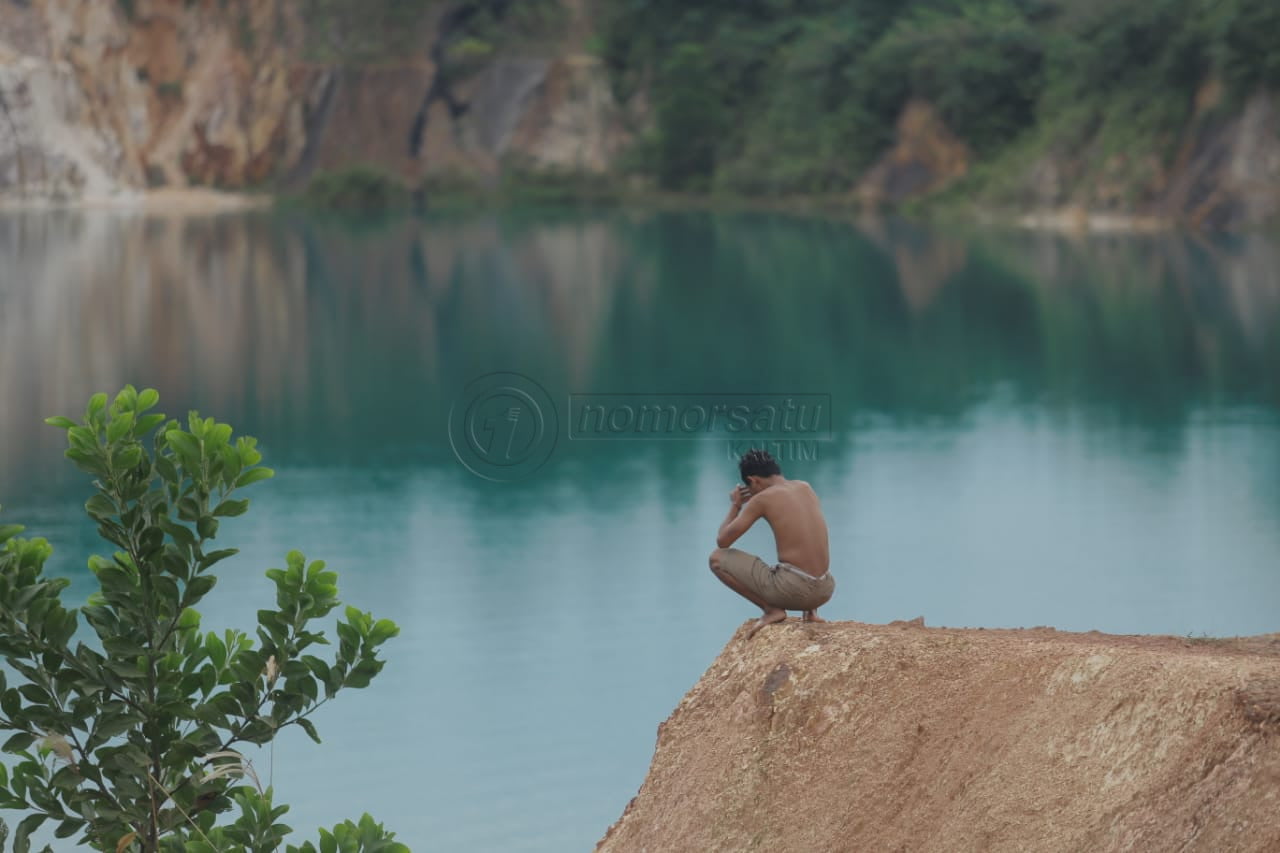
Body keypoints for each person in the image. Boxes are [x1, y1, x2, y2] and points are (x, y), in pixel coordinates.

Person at [709, 448, 835, 638]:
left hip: (796, 590)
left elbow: (723, 541)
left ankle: (771, 610)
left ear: (753, 480)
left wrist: (736, 505)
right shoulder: (805, 487)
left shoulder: (761, 499)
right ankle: (811, 611)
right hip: (825, 589)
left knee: (716, 559)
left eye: (749, 487)